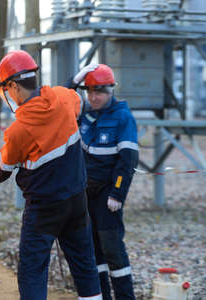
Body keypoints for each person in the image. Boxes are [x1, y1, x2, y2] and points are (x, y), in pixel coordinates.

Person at [0, 50, 102, 300]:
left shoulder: (20, 131)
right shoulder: (62, 97)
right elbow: (69, 99)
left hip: (44, 210)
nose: (5, 96)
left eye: (4, 90)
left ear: (12, 86)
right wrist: (73, 82)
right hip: (77, 200)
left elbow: (1, 170)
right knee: (85, 266)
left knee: (32, 272)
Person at [69, 64, 139, 300]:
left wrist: (118, 194)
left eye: (99, 91)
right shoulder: (86, 114)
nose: (93, 97)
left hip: (108, 194)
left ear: (110, 91)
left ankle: (125, 297)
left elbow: (127, 160)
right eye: (89, 91)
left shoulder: (123, 117)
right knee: (92, 249)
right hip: (86, 193)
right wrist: (75, 80)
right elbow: (64, 100)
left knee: (113, 249)